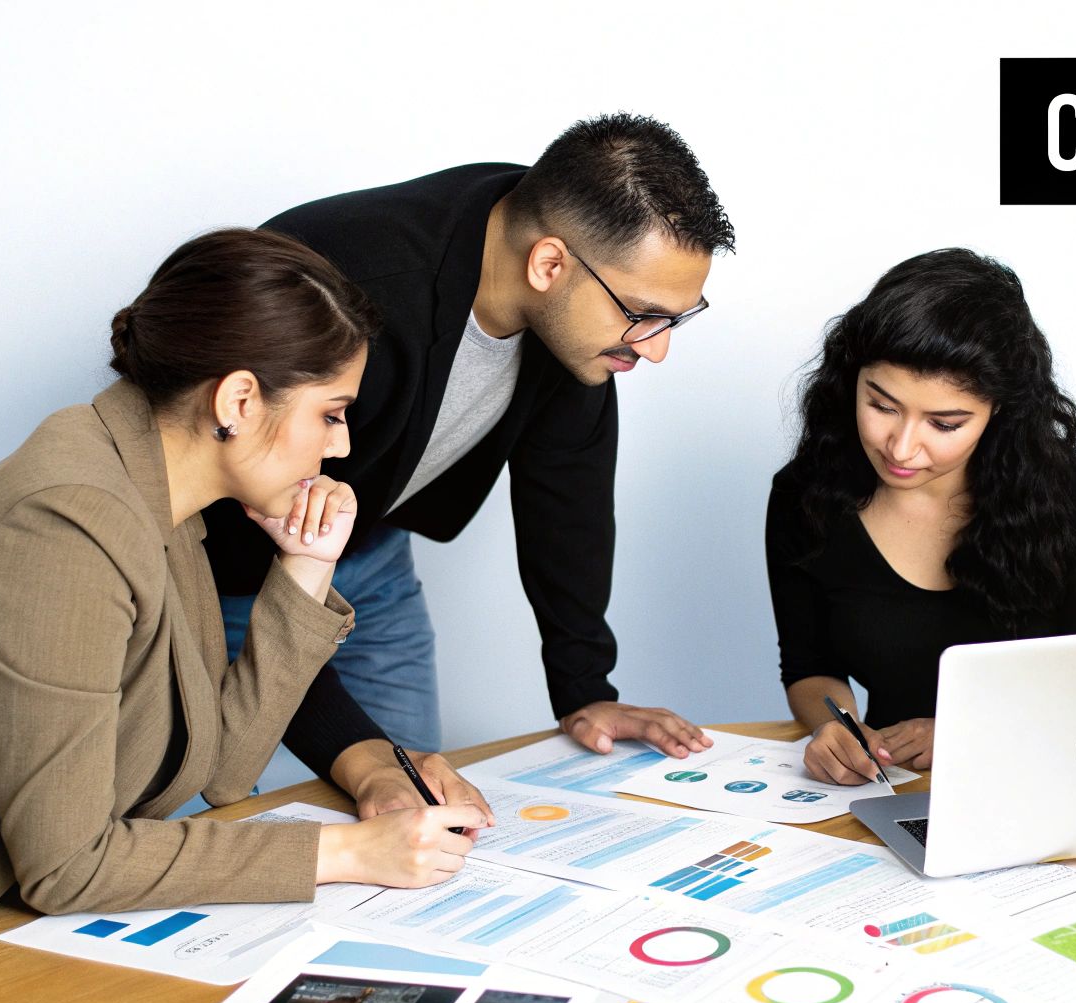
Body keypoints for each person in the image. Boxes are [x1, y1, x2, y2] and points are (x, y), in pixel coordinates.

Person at [0, 229, 488, 1003]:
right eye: (332, 413)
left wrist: (305, 572)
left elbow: (215, 766)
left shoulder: (158, 502)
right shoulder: (68, 522)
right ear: (239, 401)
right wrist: (348, 854)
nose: (343, 444)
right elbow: (71, 866)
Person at [205, 113, 734, 766]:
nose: (656, 351)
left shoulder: (567, 300)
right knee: (227, 830)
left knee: (419, 821)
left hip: (368, 554)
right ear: (548, 263)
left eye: (676, 319)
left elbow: (569, 493)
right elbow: (238, 511)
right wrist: (359, 755)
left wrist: (583, 689)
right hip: (227, 567)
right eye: (642, 315)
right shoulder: (355, 284)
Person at [766, 248, 1076, 786]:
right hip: (896, 786)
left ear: (998, 411)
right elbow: (809, 668)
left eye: (945, 424)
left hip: (1045, 779)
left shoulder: (1072, 491)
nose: (902, 447)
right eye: (882, 405)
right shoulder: (806, 495)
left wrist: (971, 728)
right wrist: (838, 728)